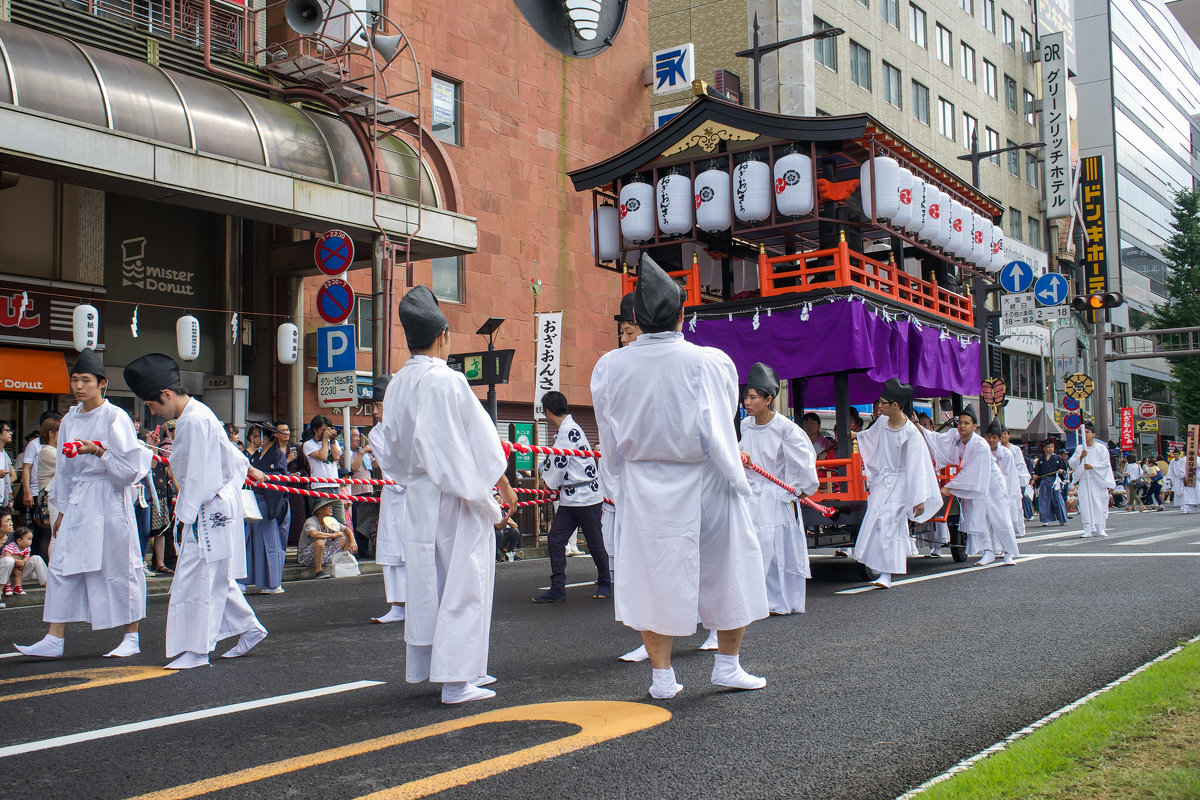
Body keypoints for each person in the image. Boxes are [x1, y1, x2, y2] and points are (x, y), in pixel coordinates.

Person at [592, 253, 769, 700]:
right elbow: (722, 424)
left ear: (635, 317)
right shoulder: (709, 361)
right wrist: (736, 474)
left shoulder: (609, 366)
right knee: (728, 567)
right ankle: (727, 664)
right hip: (705, 476)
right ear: (683, 314)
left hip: (643, 481)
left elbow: (609, 437)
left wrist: (616, 477)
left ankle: (662, 677)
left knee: (652, 575)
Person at [373, 285, 518, 704]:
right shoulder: (447, 381)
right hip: (453, 498)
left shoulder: (398, 384)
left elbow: (395, 451)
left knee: (427, 583)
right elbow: (477, 444)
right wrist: (493, 493)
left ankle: (444, 667)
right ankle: (457, 679)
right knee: (464, 582)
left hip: (418, 496)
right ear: (443, 336)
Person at [124, 353, 268, 670]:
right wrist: (248, 470)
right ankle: (249, 627)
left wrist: (183, 517)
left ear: (165, 394)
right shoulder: (200, 415)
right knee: (212, 577)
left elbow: (199, 477)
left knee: (198, 577)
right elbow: (229, 455)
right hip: (213, 504)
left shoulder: (193, 420)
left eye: (152, 406)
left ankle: (198, 650)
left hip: (207, 506)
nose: (154, 414)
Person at [14, 349, 151, 660]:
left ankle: (132, 635)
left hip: (109, 497)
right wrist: (61, 509)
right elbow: (63, 469)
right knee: (62, 565)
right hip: (78, 499)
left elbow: (130, 469)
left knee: (122, 566)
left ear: (102, 383)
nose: (78, 386)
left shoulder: (115, 416)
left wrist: (98, 452)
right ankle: (54, 637)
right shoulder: (71, 417)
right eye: (74, 380)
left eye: (85, 380)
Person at [738, 362, 818, 610]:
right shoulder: (745, 425)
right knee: (752, 548)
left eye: (753, 397)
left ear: (768, 398)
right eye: (746, 397)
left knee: (777, 549)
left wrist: (797, 489)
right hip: (752, 495)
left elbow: (803, 460)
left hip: (776, 497)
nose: (747, 402)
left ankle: (779, 601)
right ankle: (753, 601)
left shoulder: (785, 428)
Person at [849, 380, 941, 589]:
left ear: (896, 405)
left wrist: (919, 498)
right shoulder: (882, 422)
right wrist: (854, 436)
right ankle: (882, 569)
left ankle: (886, 573)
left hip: (901, 483)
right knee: (878, 523)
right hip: (884, 481)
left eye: (883, 403)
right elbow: (868, 438)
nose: (879, 407)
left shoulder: (911, 434)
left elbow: (917, 468)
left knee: (888, 524)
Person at [532, 391, 611, 603]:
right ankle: (558, 587)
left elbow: (558, 462)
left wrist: (546, 482)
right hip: (570, 498)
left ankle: (605, 581)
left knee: (595, 543)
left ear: (547, 411)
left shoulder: (567, 432)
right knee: (556, 539)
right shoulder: (568, 429)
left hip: (586, 498)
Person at [921, 410, 1019, 567]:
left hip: (992, 483)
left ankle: (1008, 553)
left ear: (974, 426)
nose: (962, 426)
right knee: (978, 516)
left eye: (966, 423)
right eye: (960, 422)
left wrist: (948, 488)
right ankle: (987, 551)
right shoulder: (956, 437)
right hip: (976, 482)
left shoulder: (980, 445)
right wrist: (920, 429)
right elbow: (937, 439)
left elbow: (971, 470)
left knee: (1000, 518)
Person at [367, 375, 407, 624]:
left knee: (417, 551)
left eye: (379, 406)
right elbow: (394, 469)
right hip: (396, 495)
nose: (374, 411)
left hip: (417, 497)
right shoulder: (376, 434)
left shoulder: (409, 426)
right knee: (394, 551)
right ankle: (397, 605)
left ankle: (419, 604)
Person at [244, 422, 289, 593]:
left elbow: (281, 477)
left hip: (268, 501)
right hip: (253, 502)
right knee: (249, 541)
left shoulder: (278, 454)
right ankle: (245, 579)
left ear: (265, 437)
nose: (253, 439)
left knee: (270, 542)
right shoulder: (255, 455)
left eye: (256, 435)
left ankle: (273, 583)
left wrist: (265, 477)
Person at [1070, 423, 1117, 538]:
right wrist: (1081, 457)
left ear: (1093, 434)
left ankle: (1101, 528)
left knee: (1099, 504)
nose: (1085, 435)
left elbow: (1105, 463)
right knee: (1085, 504)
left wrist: (1093, 466)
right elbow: (1072, 463)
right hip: (1085, 480)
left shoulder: (1101, 448)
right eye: (1084, 432)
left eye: (1088, 432)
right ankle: (1087, 529)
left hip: (1097, 480)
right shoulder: (1080, 448)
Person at [298, 497, 354, 578]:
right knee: (320, 541)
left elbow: (346, 529)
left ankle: (341, 564)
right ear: (320, 510)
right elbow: (313, 533)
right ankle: (318, 571)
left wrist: (352, 541)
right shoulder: (311, 521)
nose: (331, 507)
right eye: (328, 506)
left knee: (345, 537)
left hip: (324, 552)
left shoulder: (331, 521)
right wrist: (332, 535)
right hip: (306, 556)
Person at [304, 414, 344, 526]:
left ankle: (338, 543)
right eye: (323, 430)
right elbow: (323, 456)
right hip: (319, 487)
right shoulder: (308, 444)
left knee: (340, 522)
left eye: (328, 429)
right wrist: (325, 439)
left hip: (334, 486)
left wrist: (332, 440)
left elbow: (336, 457)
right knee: (322, 523)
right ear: (315, 429)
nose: (326, 432)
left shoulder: (333, 443)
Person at [998, 427, 1029, 538]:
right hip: (999, 481)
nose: (1003, 436)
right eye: (1001, 434)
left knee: (1015, 507)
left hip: (1012, 481)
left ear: (1009, 435)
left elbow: (1020, 465)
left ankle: (1018, 529)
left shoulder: (1015, 449)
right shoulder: (996, 449)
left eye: (1005, 434)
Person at [1, 526, 47, 596]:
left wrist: (23, 561)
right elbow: (7, 555)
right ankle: (6, 586)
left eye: (31, 539)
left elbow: (27, 556)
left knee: (36, 558)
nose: (30, 541)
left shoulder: (27, 548)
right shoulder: (12, 546)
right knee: (8, 560)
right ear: (19, 540)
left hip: (19, 569)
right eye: (28, 539)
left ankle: (48, 585)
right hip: (5, 574)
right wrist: (16, 560)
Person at [1032, 441, 1069, 526]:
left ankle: (1061, 519)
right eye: (1048, 447)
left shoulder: (1058, 458)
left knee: (1057, 500)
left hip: (1054, 482)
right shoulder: (1041, 460)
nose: (1050, 449)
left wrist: (1061, 471)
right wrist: (1035, 476)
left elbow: (1064, 468)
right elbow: (1037, 471)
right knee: (1044, 501)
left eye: (1052, 447)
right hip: (1044, 482)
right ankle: (1045, 519)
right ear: (1045, 449)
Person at [0, 421, 14, 509]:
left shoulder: (4, 454)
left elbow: (12, 476)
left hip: (3, 501)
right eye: (7, 430)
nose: (11, 433)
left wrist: (9, 496)